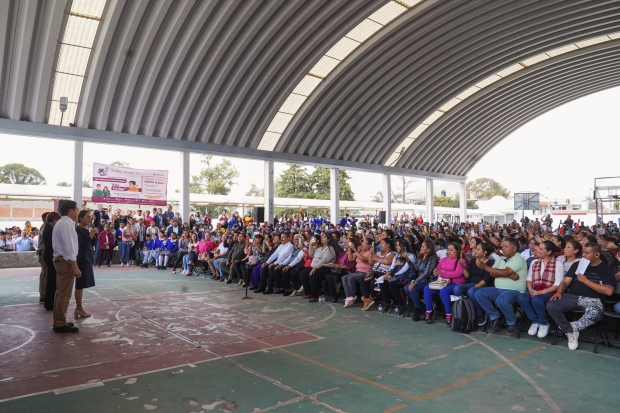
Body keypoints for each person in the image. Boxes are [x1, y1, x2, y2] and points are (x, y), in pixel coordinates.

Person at [547, 243, 617, 350]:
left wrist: (586, 281)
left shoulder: (606, 269)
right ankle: (571, 332)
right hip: (572, 297)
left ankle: (569, 329)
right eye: (583, 252)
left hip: (593, 300)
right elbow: (566, 281)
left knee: (596, 313)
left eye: (587, 253)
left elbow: (609, 291)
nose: (583, 255)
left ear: (597, 255)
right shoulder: (578, 264)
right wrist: (559, 291)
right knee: (551, 305)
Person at [475, 238, 528, 334]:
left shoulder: (519, 259)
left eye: (505, 246)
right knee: (479, 293)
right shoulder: (501, 259)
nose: (502, 248)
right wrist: (507, 274)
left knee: (501, 300)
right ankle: (495, 316)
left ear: (514, 248)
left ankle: (512, 322)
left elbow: (503, 272)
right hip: (499, 289)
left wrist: (488, 268)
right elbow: (492, 274)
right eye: (502, 246)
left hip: (515, 291)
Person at [51, 201, 81, 333]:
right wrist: (75, 266)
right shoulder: (66, 224)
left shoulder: (61, 223)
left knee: (60, 292)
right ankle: (59, 323)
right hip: (65, 261)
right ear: (70, 211)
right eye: (77, 210)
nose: (78, 212)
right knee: (64, 294)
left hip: (61, 260)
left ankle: (59, 320)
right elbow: (69, 247)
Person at [423, 242, 466, 327]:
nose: (449, 251)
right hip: (442, 282)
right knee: (427, 288)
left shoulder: (461, 260)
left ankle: (448, 314)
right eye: (448, 249)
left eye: (451, 250)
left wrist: (442, 272)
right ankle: (429, 312)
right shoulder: (444, 259)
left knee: (444, 291)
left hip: (456, 283)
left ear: (457, 251)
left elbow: (457, 273)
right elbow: (436, 272)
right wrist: (437, 272)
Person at [452, 242, 495, 325]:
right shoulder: (473, 261)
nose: (475, 251)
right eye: (475, 249)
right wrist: (464, 267)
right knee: (457, 289)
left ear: (485, 252)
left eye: (478, 249)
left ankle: (480, 312)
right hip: (472, 283)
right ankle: (465, 310)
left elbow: (486, 280)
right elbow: (468, 276)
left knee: (471, 291)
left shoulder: (490, 263)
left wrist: (474, 287)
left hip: (484, 286)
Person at [403, 239, 439, 321]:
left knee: (414, 288)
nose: (421, 248)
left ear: (428, 249)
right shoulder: (420, 256)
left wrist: (414, 283)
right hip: (420, 280)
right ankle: (421, 306)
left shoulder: (432, 259)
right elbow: (415, 269)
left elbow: (426, 273)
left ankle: (417, 310)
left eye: (423, 247)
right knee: (406, 288)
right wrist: (408, 260)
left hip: (430, 281)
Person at [299, 232, 339, 302]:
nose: (322, 238)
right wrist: (310, 245)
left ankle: (315, 296)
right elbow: (311, 255)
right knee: (303, 274)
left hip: (325, 268)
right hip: (316, 267)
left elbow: (325, 260)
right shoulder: (319, 247)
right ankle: (308, 293)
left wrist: (315, 267)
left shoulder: (330, 248)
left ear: (328, 239)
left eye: (324, 237)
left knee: (313, 275)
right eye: (322, 237)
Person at [75, 210, 97, 318]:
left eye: (90, 217)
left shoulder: (85, 230)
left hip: (87, 258)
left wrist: (93, 235)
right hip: (81, 259)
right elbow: (82, 245)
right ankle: (79, 308)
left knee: (82, 285)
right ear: (81, 218)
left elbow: (90, 244)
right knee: (79, 284)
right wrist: (91, 234)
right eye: (87, 217)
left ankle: (79, 308)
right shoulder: (77, 230)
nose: (89, 219)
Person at [43, 212, 62, 311]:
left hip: (49, 255)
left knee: (51, 279)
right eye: (58, 220)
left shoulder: (49, 228)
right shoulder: (49, 229)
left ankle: (50, 302)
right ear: (54, 220)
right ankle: (50, 303)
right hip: (50, 256)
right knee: (51, 280)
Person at [37, 212, 49, 304]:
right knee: (44, 274)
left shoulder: (45, 227)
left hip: (44, 253)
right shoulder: (44, 228)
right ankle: (43, 295)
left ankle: (44, 293)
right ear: (45, 219)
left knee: (45, 274)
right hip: (44, 253)